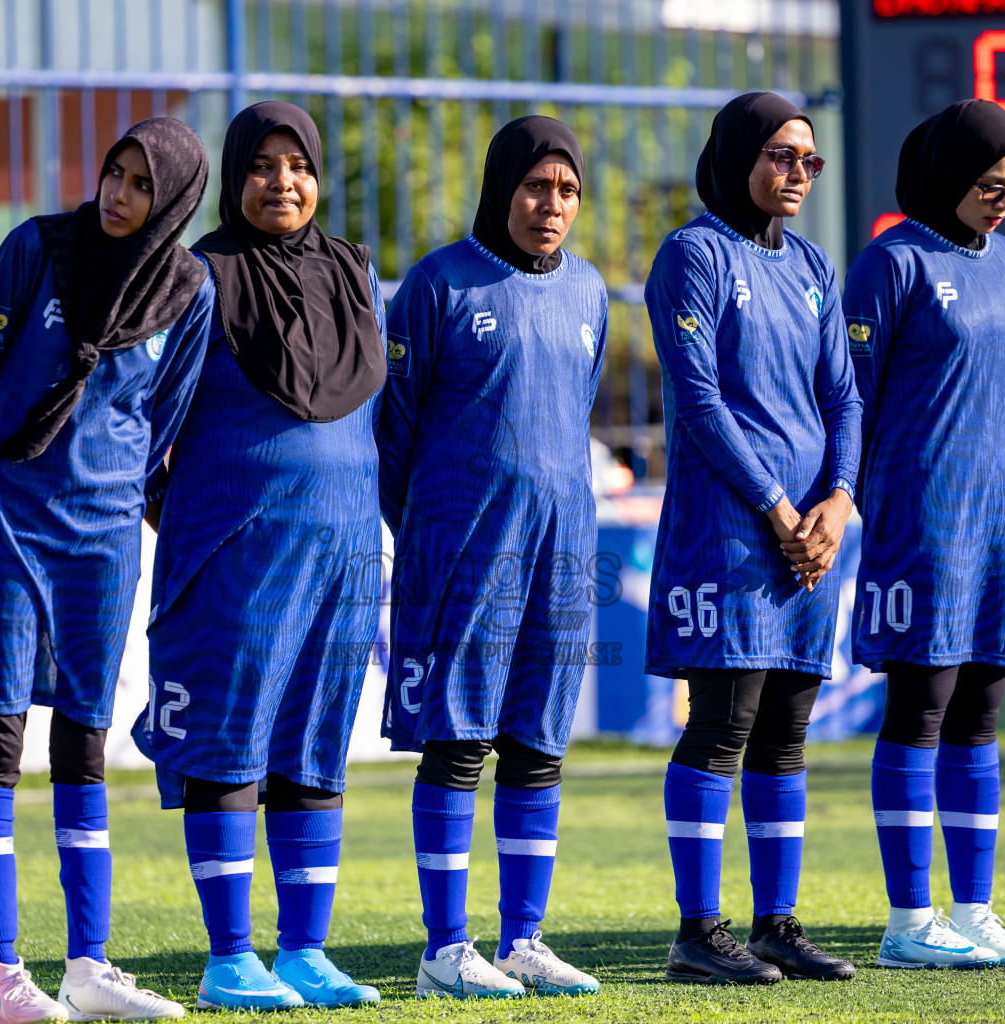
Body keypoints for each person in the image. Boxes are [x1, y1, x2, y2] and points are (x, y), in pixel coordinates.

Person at [0, 116, 213, 1022]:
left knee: (84, 743)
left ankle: (88, 967)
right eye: (114, 172)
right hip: (11, 518)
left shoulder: (188, 289)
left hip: (103, 539)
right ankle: (1, 980)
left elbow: (162, 418)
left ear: (171, 198)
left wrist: (119, 498)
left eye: (142, 182)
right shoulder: (37, 248)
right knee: (1, 735)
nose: (120, 193)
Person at [129, 101, 385, 1012]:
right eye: (263, 166)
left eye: (299, 166)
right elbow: (142, 426)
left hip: (346, 559)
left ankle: (306, 953)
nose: (284, 182)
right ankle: (230, 956)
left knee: (314, 751)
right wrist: (194, 521)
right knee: (230, 748)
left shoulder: (356, 275)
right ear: (236, 179)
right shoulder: (200, 279)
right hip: (237, 560)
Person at [377, 115, 606, 1000]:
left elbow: (570, 414)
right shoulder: (439, 284)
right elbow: (393, 435)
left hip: (561, 553)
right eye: (537, 187)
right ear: (502, 186)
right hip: (462, 553)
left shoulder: (588, 290)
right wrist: (432, 532)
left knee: (537, 746)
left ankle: (523, 941)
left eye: (568, 191)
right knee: (458, 741)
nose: (552, 206)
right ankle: (445, 950)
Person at [644, 92, 860, 985]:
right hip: (730, 536)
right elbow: (697, 402)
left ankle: (777, 925)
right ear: (736, 156)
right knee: (722, 729)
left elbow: (844, 396)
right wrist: (780, 507)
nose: (797, 173)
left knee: (785, 737)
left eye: (808, 160)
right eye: (779, 155)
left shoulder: (811, 263)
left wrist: (838, 501)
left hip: (810, 535)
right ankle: (700, 933)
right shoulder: (693, 254)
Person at [845, 99, 1005, 970]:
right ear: (945, 176)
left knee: (982, 714)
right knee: (921, 707)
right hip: (924, 517)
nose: (1003, 201)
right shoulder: (892, 261)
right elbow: (848, 395)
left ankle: (974, 908)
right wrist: (852, 495)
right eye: (988, 185)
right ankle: (907, 919)